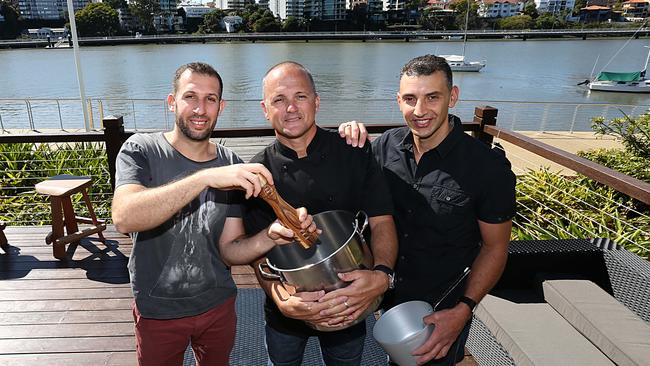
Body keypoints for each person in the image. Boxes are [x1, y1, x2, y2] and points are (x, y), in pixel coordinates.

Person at [111, 62, 316, 366]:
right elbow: (125, 217)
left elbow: (231, 250)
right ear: (172, 102)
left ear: (221, 106)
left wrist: (269, 236)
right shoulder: (142, 149)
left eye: (210, 99)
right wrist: (203, 178)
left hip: (217, 306)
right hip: (159, 311)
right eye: (190, 97)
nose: (200, 109)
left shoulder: (230, 161)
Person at [340, 55, 516, 365]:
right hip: (388, 298)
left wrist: (463, 310)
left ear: (453, 97)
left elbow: (495, 248)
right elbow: (350, 194)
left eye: (432, 97)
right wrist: (348, 138)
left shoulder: (488, 168)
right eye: (410, 99)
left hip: (443, 308)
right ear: (398, 101)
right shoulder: (385, 147)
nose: (419, 111)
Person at [244, 61, 399, 366]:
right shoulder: (258, 173)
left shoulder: (353, 151)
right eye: (278, 100)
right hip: (288, 309)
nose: (290, 108)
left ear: (316, 101)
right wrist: (280, 298)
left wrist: (382, 275)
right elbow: (257, 253)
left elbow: (381, 220)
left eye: (300, 96)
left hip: (350, 300)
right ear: (265, 109)